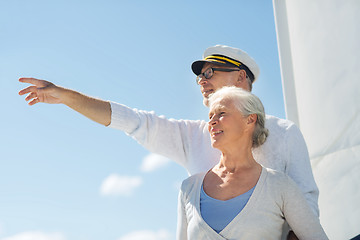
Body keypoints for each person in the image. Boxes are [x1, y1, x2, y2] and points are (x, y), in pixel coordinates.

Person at [19, 45, 319, 239]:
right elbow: (133, 120)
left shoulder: (285, 133)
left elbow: (306, 212)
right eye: (199, 76)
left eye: (210, 72)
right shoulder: (191, 136)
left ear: (242, 77)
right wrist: (65, 96)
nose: (202, 80)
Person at [176, 86, 328, 240]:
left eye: (221, 113)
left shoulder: (280, 186)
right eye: (210, 116)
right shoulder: (189, 189)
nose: (212, 122)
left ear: (250, 120)